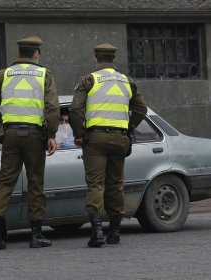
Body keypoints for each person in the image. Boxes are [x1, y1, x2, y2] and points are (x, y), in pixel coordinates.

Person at [0, 35, 60, 250]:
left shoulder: (3, 74)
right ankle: (36, 235)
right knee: (36, 183)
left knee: (5, 182)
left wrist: (6, 118)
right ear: (37, 54)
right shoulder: (44, 74)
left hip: (10, 134)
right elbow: (53, 109)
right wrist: (52, 134)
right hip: (35, 137)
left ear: (18, 54)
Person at [69, 43, 147, 247]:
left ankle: (97, 232)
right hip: (120, 139)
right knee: (116, 184)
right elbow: (141, 109)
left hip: (95, 139)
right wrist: (128, 128)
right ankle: (115, 232)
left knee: (96, 184)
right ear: (114, 60)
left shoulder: (89, 79)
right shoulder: (127, 81)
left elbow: (76, 109)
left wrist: (79, 134)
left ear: (95, 60)